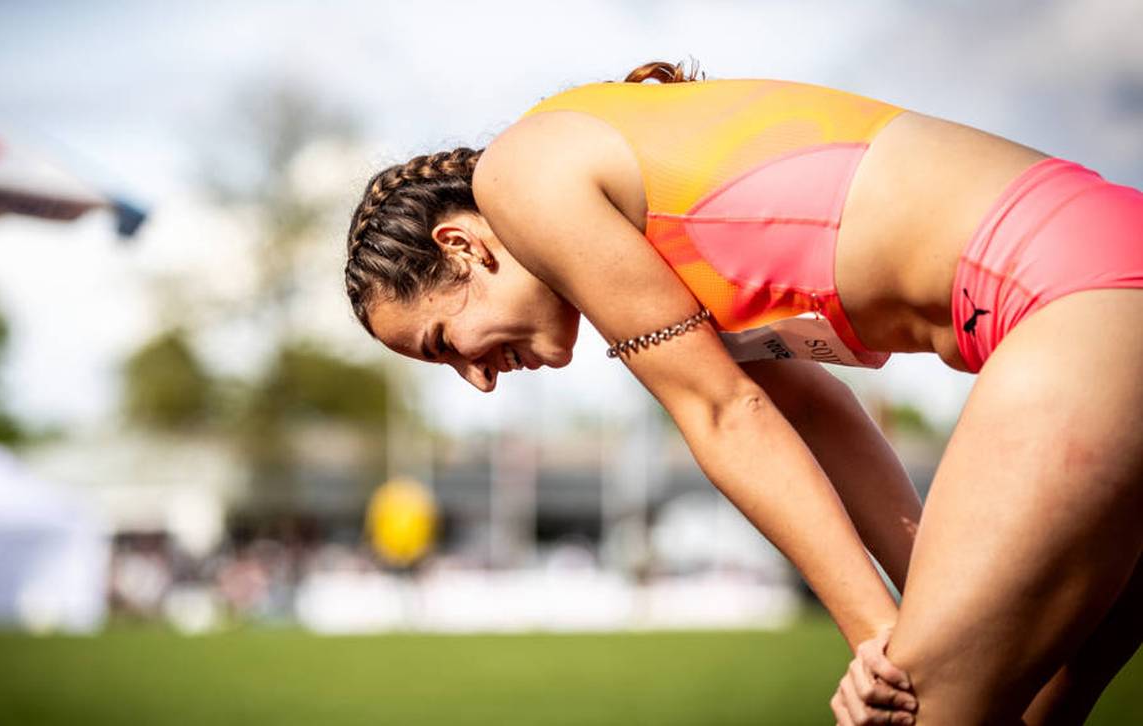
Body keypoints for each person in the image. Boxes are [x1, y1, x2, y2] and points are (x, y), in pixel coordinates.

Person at [343, 61, 1143, 725]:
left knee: (912, 714)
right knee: (1036, 705)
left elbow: (726, 415)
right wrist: (914, 623)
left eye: (445, 344)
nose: (477, 380)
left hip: (1083, 297)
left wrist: (882, 649)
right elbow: (818, 414)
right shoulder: (642, 247)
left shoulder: (516, 175)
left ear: (461, 245)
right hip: (1104, 279)